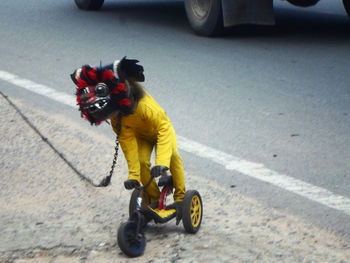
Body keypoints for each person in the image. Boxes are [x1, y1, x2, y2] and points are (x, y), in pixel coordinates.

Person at [71, 57, 185, 223]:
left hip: (161, 129)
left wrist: (161, 163)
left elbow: (164, 129)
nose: (109, 119)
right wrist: (133, 175)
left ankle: (181, 198)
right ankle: (153, 199)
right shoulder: (118, 120)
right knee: (141, 163)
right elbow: (127, 143)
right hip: (142, 137)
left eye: (109, 114)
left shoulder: (145, 107)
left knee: (173, 157)